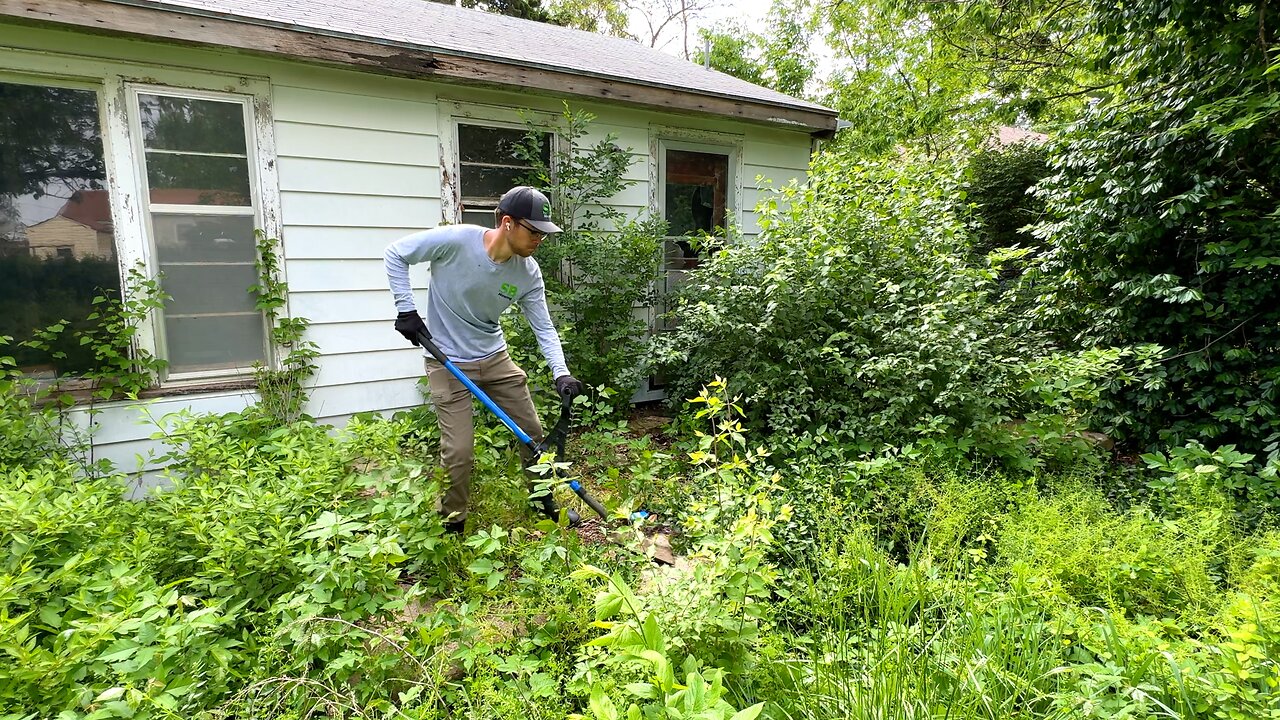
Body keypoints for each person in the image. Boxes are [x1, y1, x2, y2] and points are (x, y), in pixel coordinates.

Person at [384, 186, 584, 535]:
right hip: (446, 361)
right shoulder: (457, 240)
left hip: (494, 358)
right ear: (508, 223)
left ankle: (542, 499)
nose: (540, 239)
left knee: (533, 435)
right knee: (459, 451)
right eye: (534, 231)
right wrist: (406, 309)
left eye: (543, 233)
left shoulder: (528, 272)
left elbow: (544, 327)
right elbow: (395, 253)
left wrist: (562, 373)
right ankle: (453, 521)